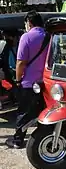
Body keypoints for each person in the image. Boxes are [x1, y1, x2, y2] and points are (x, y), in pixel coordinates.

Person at [5, 10, 48, 149]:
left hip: (29, 82)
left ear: (29, 23)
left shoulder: (26, 37)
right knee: (43, 110)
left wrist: (17, 80)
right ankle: (44, 137)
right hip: (46, 82)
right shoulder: (49, 36)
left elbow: (21, 62)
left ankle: (18, 140)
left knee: (23, 112)